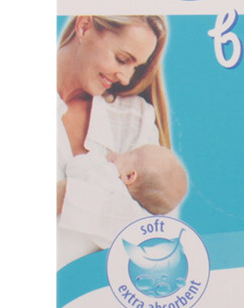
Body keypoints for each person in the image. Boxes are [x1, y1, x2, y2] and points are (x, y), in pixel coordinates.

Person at [56, 15, 183, 267]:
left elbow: (156, 232)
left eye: (135, 68)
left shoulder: (133, 118)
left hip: (90, 285)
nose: (125, 78)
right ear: (84, 27)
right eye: (122, 60)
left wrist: (65, 195)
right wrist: (105, 205)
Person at [56, 145, 188, 228]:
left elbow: (75, 167)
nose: (117, 153)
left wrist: (99, 159)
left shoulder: (107, 178)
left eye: (129, 153)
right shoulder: (128, 210)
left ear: (129, 176)